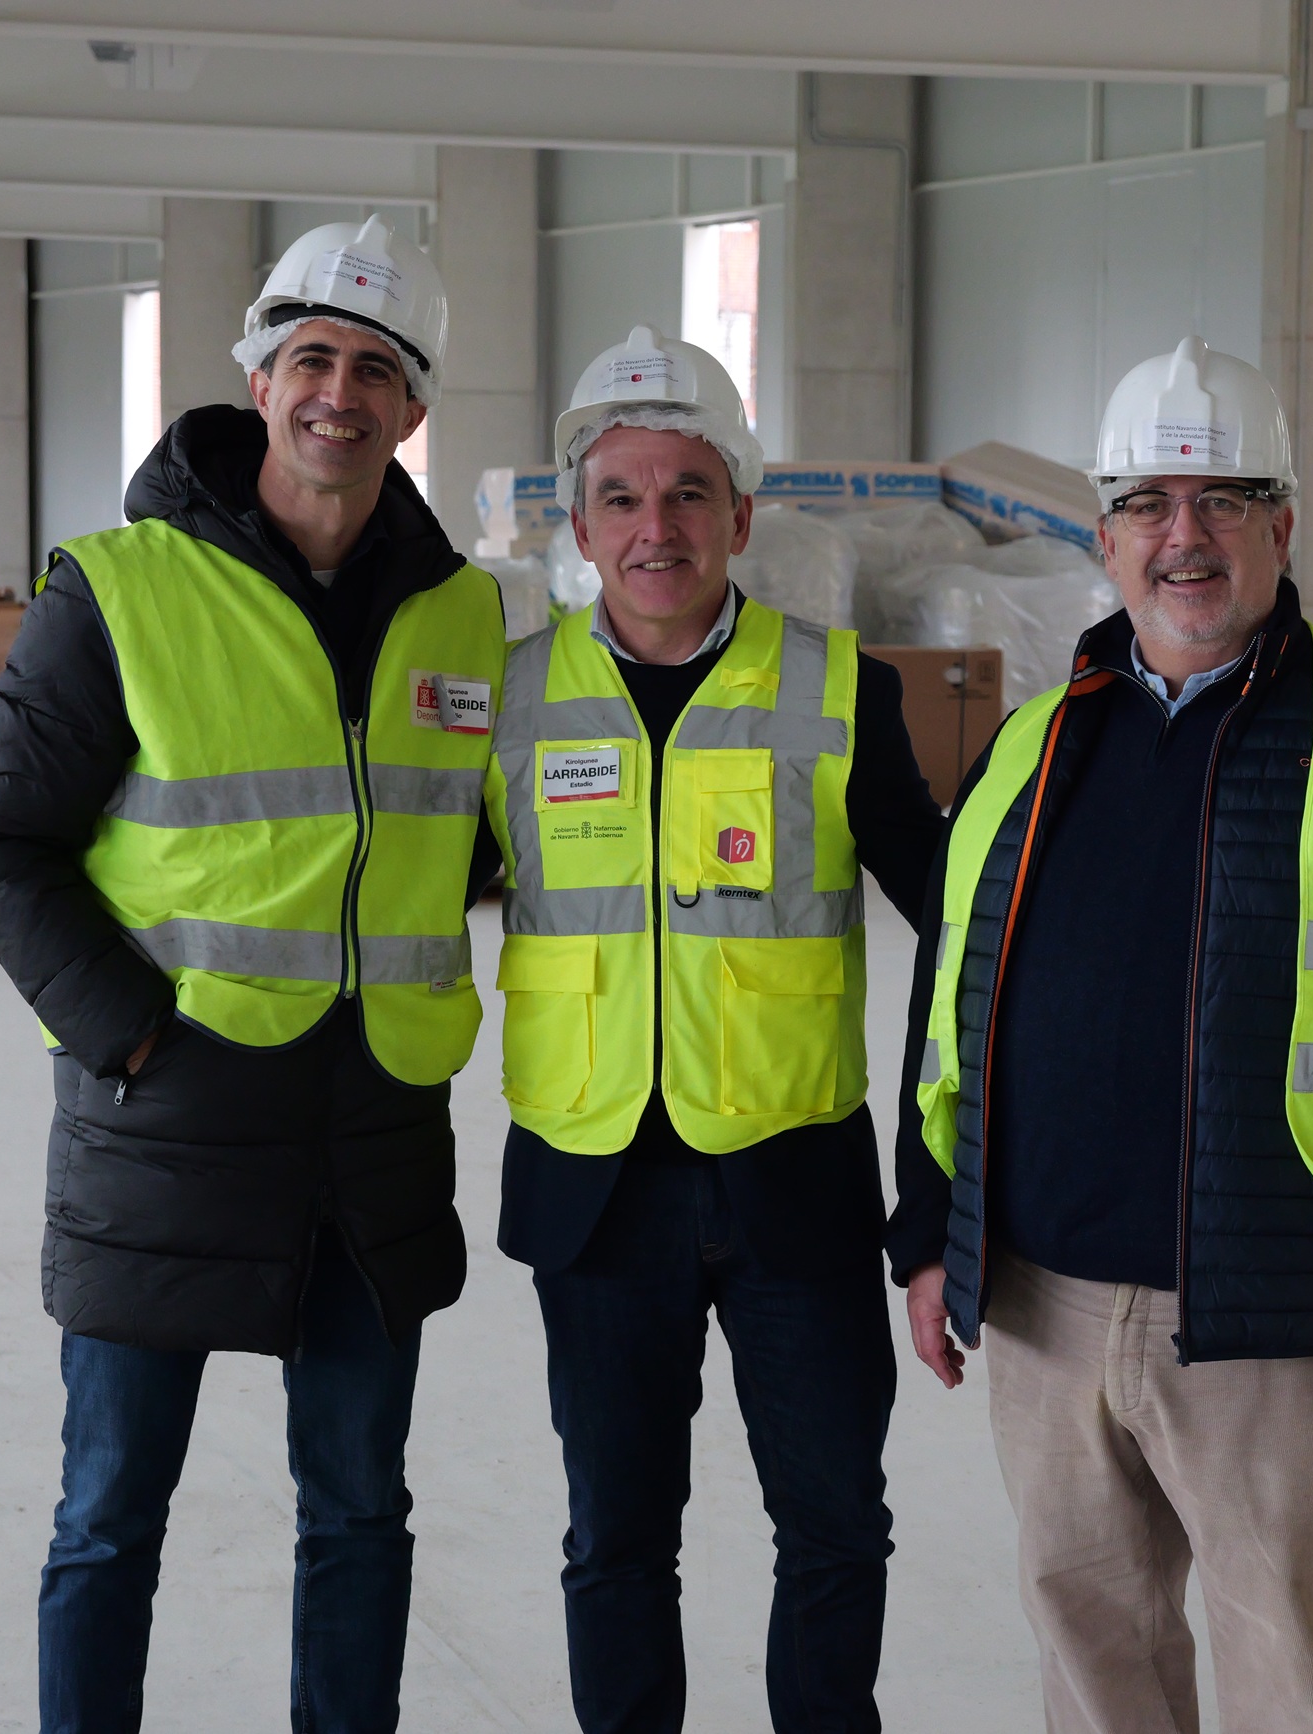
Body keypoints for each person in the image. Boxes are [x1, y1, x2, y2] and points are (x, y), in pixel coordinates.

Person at [890, 336, 1313, 1734]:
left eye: (1223, 501)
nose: (1181, 538)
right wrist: (927, 1234)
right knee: (1088, 1657)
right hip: (1042, 1295)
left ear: (1279, 527)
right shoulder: (1029, 740)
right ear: (1105, 532)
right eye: (1144, 505)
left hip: (1271, 1307)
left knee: (1290, 1677)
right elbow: (947, 1000)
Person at [0, 215, 504, 1734]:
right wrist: (131, 1039)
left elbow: (487, 841)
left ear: (414, 407)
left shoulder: (467, 614)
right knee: (112, 1512)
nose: (340, 392)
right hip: (167, 1129)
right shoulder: (118, 589)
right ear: (258, 379)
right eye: (311, 357)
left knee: (359, 1513)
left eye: (375, 368)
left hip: (371, 1133)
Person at [484, 326, 944, 1734]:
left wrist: (941, 1182)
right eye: (619, 496)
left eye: (688, 492)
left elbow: (959, 926)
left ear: (741, 515)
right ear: (576, 523)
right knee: (615, 1539)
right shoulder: (502, 704)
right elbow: (390, 911)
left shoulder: (839, 687)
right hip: (593, 1186)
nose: (655, 527)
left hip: (791, 1182)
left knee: (833, 1529)